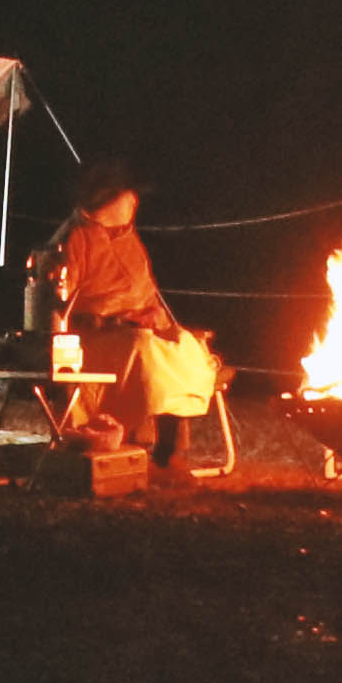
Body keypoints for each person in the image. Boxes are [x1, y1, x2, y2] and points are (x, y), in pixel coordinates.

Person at [44, 167, 218, 469]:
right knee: (144, 349)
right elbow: (60, 298)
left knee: (186, 343)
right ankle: (148, 443)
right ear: (110, 202)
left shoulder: (130, 242)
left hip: (139, 329)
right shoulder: (78, 240)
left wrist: (155, 314)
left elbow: (145, 291)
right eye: (129, 198)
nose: (135, 203)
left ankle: (170, 444)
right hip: (95, 336)